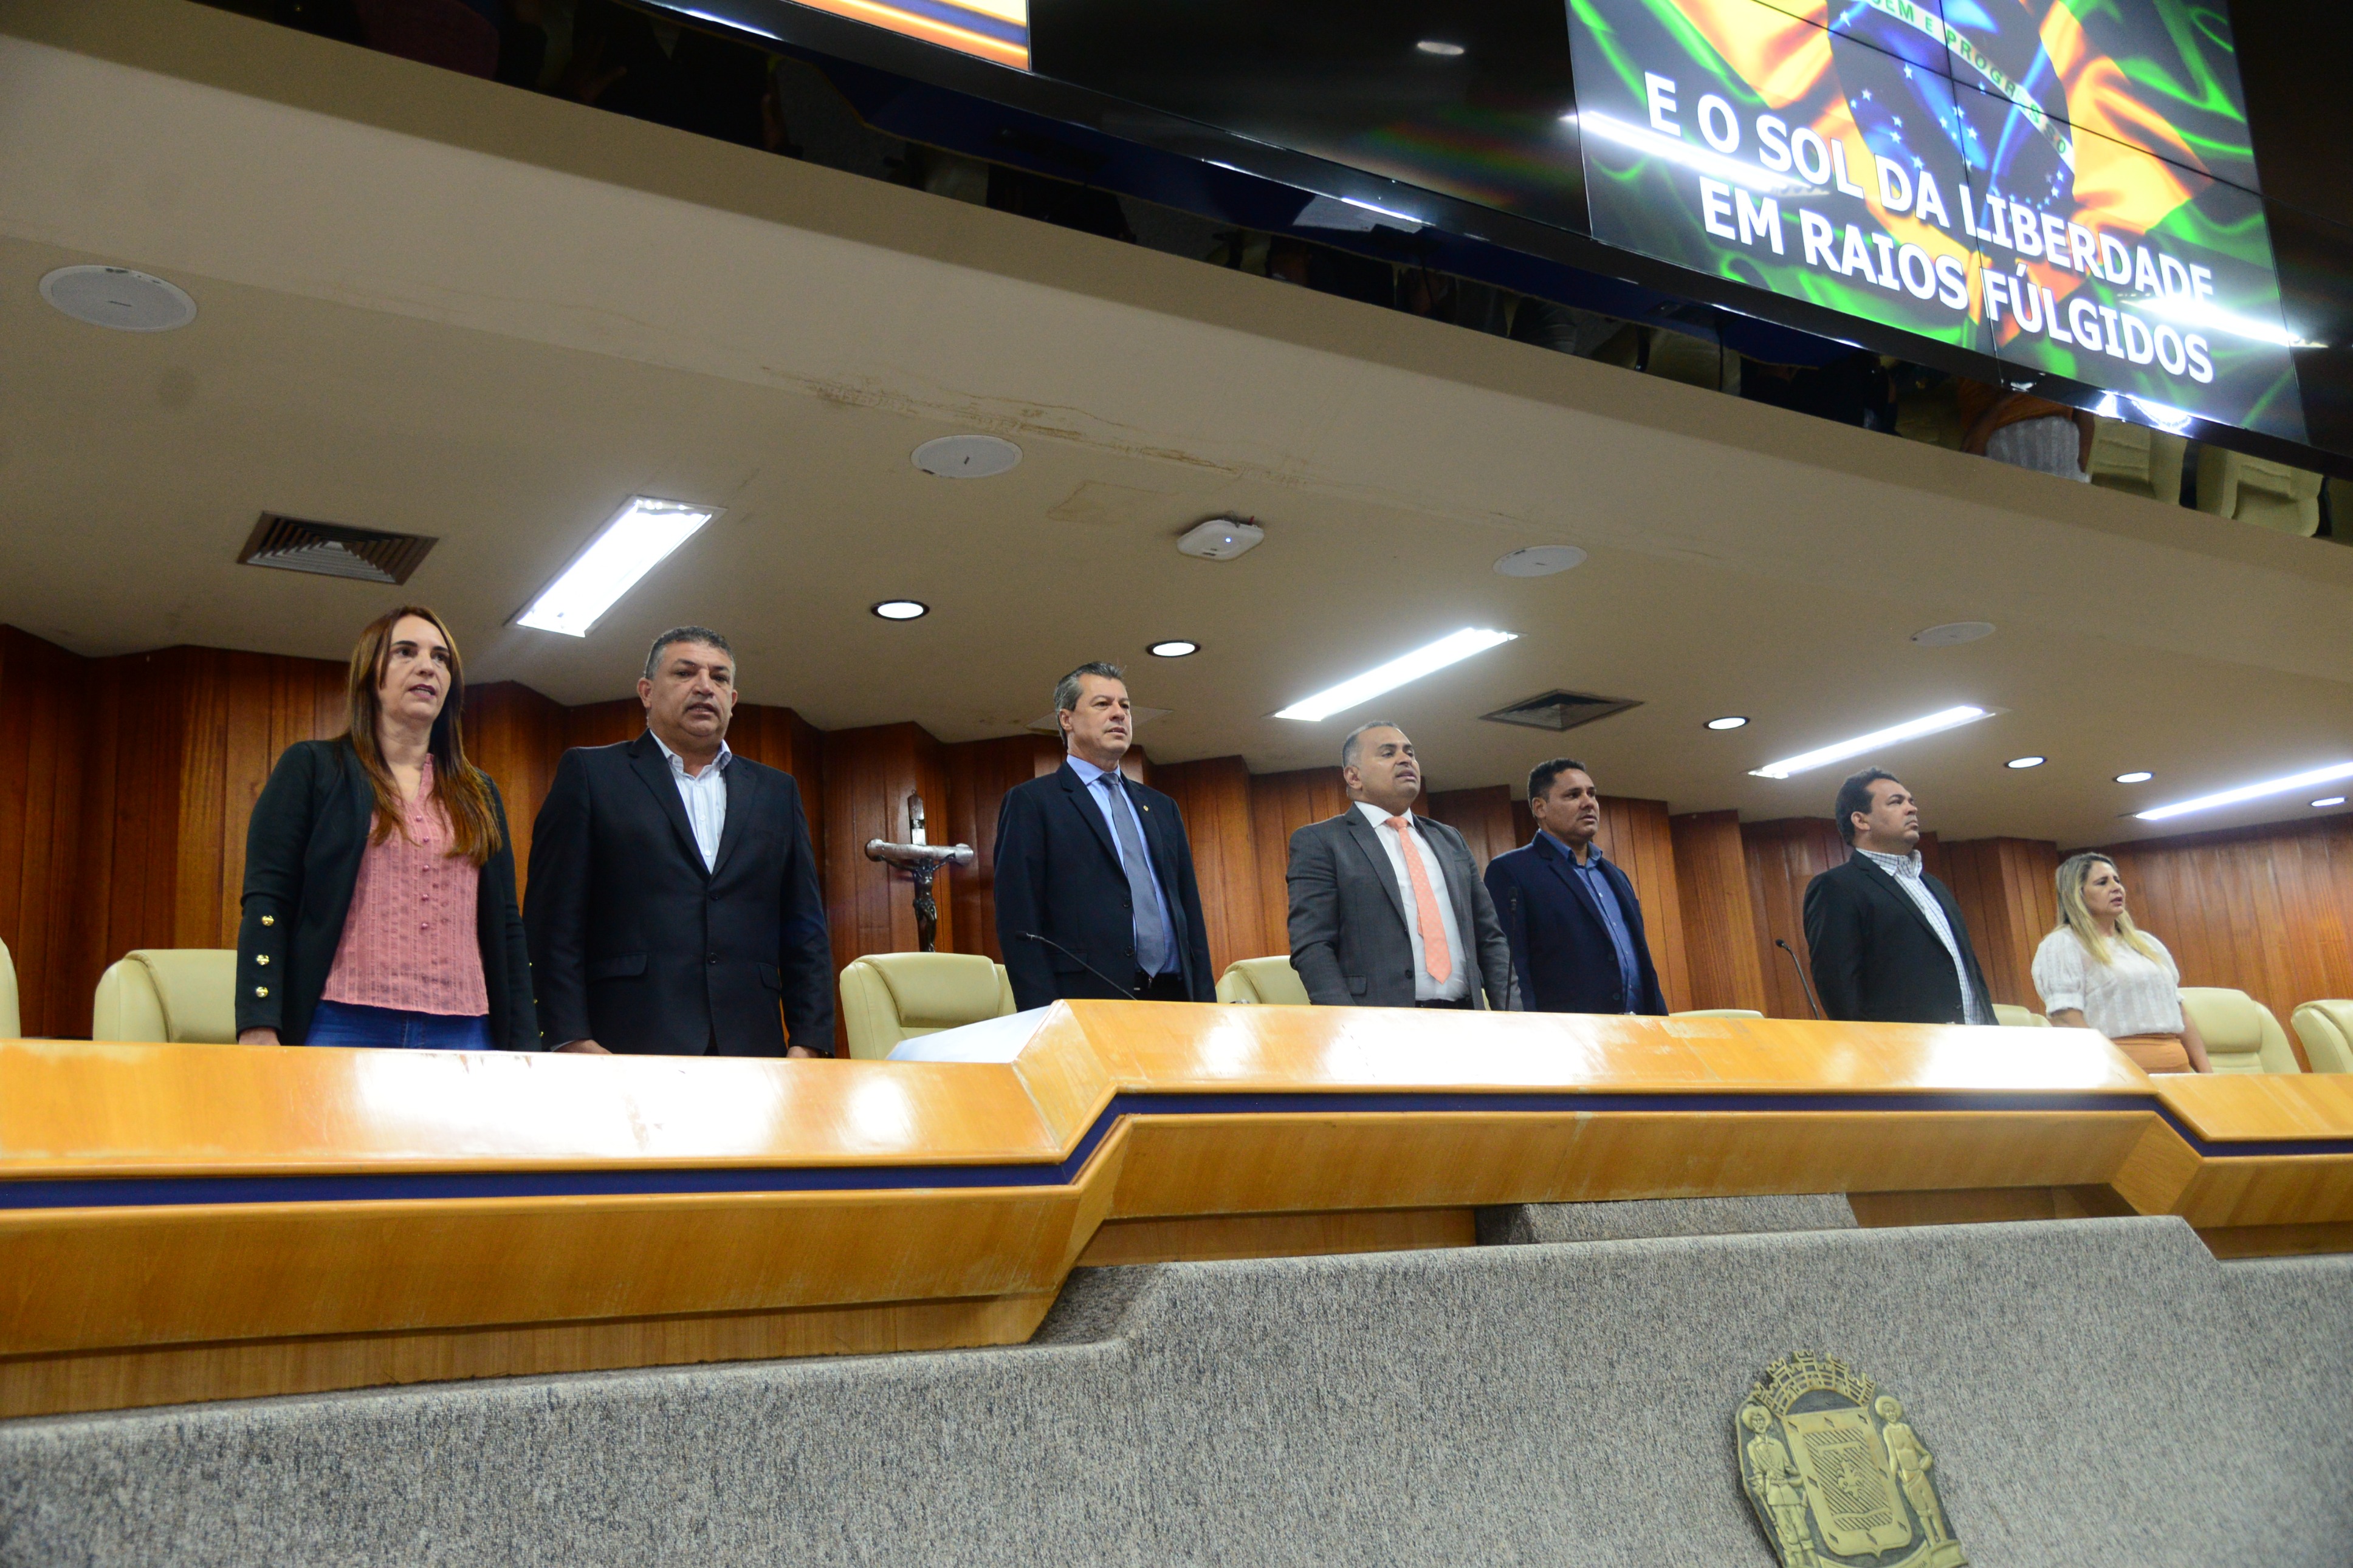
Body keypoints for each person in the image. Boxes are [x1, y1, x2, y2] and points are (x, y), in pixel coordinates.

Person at [236, 606, 535, 1050]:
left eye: (440, 658)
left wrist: (527, 1045)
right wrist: (258, 1022)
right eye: (406, 652)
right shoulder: (313, 768)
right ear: (370, 675)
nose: (427, 667)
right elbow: (269, 900)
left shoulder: (481, 793)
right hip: (339, 1022)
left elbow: (507, 926)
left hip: (466, 1030)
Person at [525, 626, 833, 1056]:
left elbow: (806, 931)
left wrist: (809, 1043)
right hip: (623, 1047)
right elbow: (551, 923)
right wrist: (570, 1039)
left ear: (732, 700)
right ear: (647, 692)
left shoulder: (777, 792)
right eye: (685, 673)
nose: (705, 686)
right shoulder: (592, 775)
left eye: (719, 677)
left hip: (752, 1048)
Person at [993, 662, 1215, 1007]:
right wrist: (1043, 1016)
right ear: (1066, 719)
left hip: (1175, 998)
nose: (1119, 714)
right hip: (1085, 1001)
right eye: (1103, 704)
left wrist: (1206, 1005)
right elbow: (1018, 922)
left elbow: (1190, 916)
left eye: (1125, 706)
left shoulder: (1162, 808)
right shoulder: (1034, 803)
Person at [1286, 721, 1511, 1009]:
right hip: (1377, 1020)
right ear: (1354, 777)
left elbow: (1490, 938)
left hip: (1466, 1015)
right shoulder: (1322, 841)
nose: (1406, 759)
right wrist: (1346, 1021)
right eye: (1388, 753)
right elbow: (1313, 945)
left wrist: (1512, 1017)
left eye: (1410, 752)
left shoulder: (1449, 840)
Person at [1804, 768, 1993, 1025]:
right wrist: (1878, 1047)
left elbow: (1968, 972)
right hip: (1904, 1046)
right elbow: (1840, 989)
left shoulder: (1935, 886)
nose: (1912, 809)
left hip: (1978, 1039)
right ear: (1861, 821)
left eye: (1911, 802)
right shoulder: (1837, 887)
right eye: (1896, 802)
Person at [1483, 759, 1668, 1015]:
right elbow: (1510, 967)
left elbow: (1642, 963)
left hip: (1640, 1028)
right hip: (1565, 1032)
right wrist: (1523, 1027)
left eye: (1592, 794)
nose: (1588, 802)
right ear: (1540, 808)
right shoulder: (1512, 871)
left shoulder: (1616, 876)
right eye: (1573, 795)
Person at [2031, 852, 2213, 1073]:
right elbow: (2066, 1019)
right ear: (2078, 894)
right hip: (2116, 1073)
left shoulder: (2146, 943)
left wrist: (2208, 1076)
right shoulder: (2062, 944)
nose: (2116, 888)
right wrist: (2115, 1072)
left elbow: (2180, 1013)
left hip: (2178, 1074)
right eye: (2102, 882)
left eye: (2117, 880)